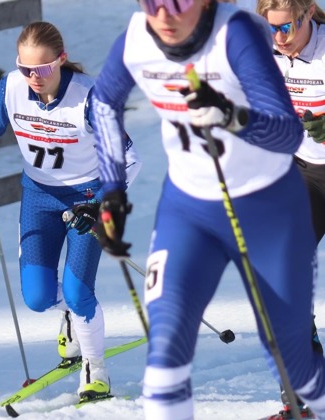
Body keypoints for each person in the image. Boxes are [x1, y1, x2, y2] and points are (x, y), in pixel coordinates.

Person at [90, 0, 325, 418]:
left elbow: (282, 128)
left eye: (286, 26)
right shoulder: (147, 39)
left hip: (290, 187)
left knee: (289, 337)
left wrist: (237, 117)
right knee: (174, 355)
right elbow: (105, 102)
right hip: (243, 191)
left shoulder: (262, 39)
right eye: (149, 2)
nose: (279, 37)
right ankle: (297, 404)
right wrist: (112, 188)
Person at [0, 21, 141, 403]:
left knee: (79, 291)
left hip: (88, 197)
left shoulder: (90, 97)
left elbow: (129, 160)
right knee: (38, 297)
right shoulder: (12, 85)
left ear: (61, 60)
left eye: (42, 69)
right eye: (25, 68)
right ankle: (75, 318)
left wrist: (100, 205)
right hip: (39, 198)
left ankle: (95, 369)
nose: (33, 77)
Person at [254, 0, 325, 417]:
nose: (279, 38)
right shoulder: (269, 52)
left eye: (286, 28)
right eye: (272, 29)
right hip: (302, 175)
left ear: (307, 14)